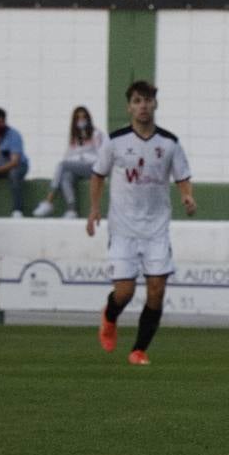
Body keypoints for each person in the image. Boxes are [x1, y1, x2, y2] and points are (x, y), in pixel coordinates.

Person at [87, 81, 195, 366]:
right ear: (129, 106)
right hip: (123, 229)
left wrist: (187, 197)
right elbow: (98, 175)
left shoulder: (169, 143)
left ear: (155, 104)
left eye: (147, 100)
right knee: (125, 292)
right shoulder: (116, 141)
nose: (143, 106)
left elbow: (182, 176)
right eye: (137, 101)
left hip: (156, 229)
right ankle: (110, 316)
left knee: (157, 290)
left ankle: (138, 350)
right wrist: (94, 209)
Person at [33, 105, 106, 218]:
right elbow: (68, 156)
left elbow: (101, 155)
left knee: (62, 165)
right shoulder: (75, 137)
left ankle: (49, 201)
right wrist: (76, 159)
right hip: (79, 168)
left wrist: (82, 157)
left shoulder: (96, 133)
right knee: (66, 176)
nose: (81, 120)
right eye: (78, 118)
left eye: (84, 117)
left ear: (88, 119)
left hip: (93, 167)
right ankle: (71, 209)